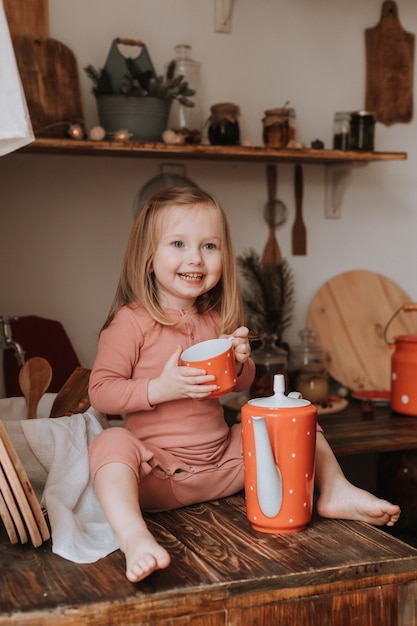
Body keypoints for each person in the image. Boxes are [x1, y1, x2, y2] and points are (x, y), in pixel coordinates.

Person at [88, 186, 401, 584]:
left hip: (225, 465)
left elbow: (241, 385)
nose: (195, 258)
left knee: (290, 416)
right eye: (179, 243)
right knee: (109, 444)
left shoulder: (214, 318)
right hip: (159, 476)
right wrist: (160, 389)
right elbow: (100, 392)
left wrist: (240, 364)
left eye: (209, 246)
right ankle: (134, 536)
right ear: (148, 258)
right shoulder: (130, 322)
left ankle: (335, 488)